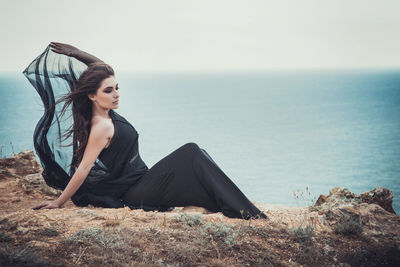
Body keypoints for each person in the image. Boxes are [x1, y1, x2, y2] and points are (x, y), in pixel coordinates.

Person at [25, 42, 267, 220]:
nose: (116, 94)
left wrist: (78, 53)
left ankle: (238, 206)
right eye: (108, 91)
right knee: (191, 152)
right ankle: (245, 211)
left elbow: (102, 68)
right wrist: (59, 202)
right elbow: (84, 169)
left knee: (196, 154)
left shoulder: (104, 114)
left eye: (117, 88)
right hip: (134, 193)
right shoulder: (102, 126)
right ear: (92, 96)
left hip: (142, 181)